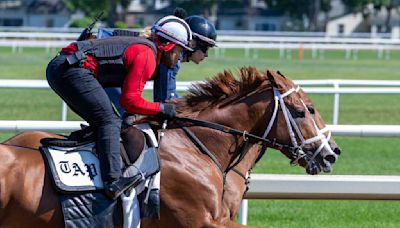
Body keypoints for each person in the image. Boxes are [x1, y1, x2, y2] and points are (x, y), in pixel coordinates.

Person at [46, 15, 193, 200]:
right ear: (168, 46)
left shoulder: (145, 50)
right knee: (109, 121)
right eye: (180, 51)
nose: (180, 57)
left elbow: (128, 100)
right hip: (69, 70)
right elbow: (129, 100)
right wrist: (161, 108)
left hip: (65, 67)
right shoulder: (147, 56)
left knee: (107, 122)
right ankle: (113, 182)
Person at [153, 15, 217, 102]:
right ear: (193, 44)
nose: (206, 55)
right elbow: (168, 100)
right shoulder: (172, 60)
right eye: (205, 48)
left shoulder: (170, 55)